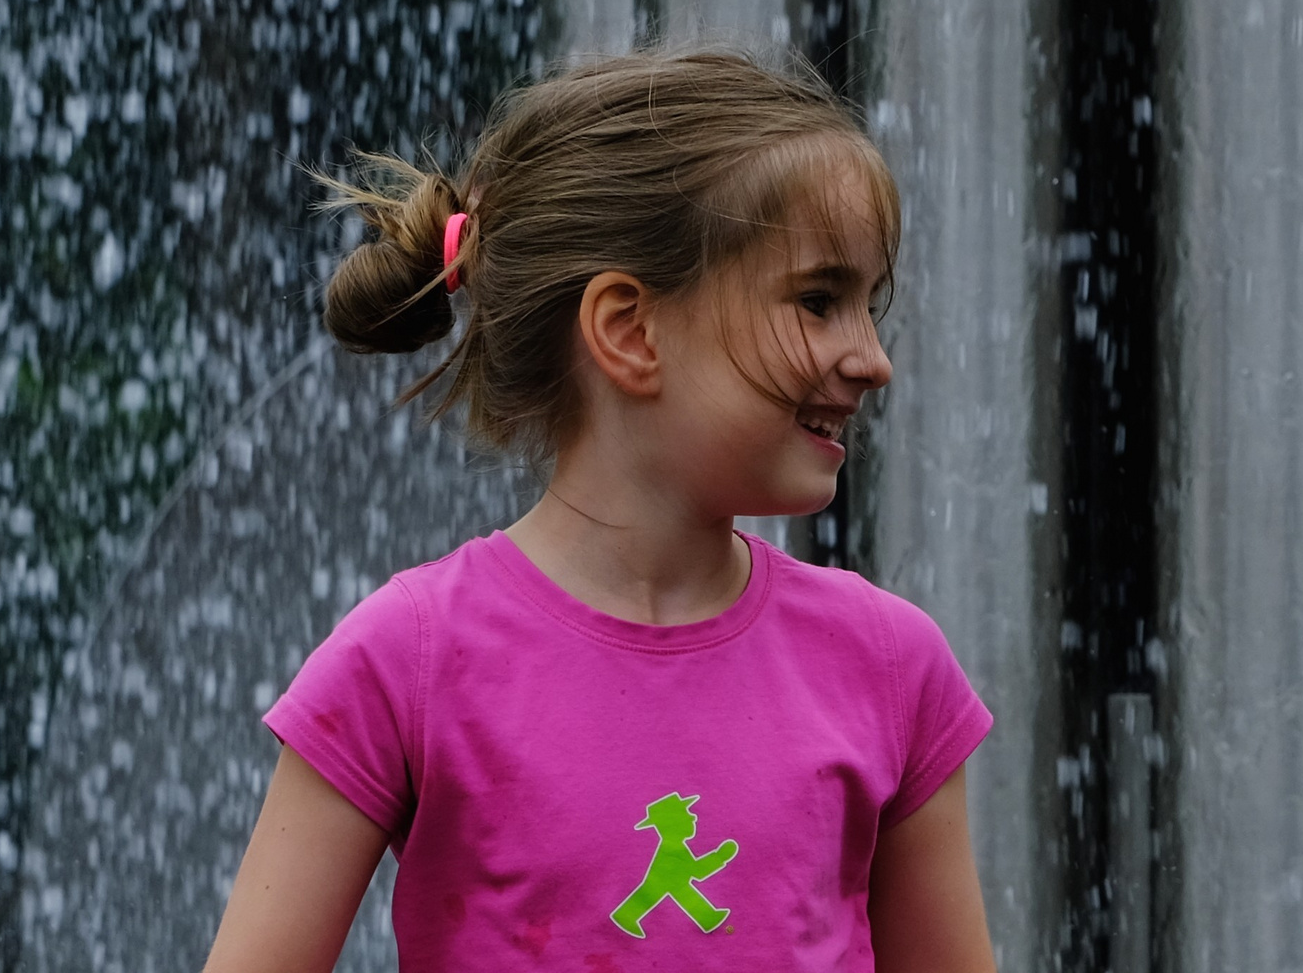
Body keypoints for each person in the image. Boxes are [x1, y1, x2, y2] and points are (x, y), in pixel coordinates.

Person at [201, 50, 998, 973]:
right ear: (627, 330)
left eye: (870, 306)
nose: (871, 358)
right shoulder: (406, 665)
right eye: (817, 301)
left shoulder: (891, 669)